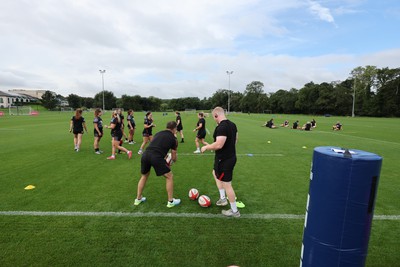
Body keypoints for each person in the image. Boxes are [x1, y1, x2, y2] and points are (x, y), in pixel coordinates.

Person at [201, 107, 240, 217]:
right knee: (215, 173)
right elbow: (235, 140)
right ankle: (223, 199)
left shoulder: (222, 127)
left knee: (227, 184)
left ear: (216, 115)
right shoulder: (233, 125)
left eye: (214, 117)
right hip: (228, 157)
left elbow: (219, 144)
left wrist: (207, 147)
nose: (214, 119)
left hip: (225, 160)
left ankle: (234, 211)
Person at [134, 121, 181, 208]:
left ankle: (138, 199)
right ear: (174, 129)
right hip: (156, 157)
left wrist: (165, 157)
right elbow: (174, 157)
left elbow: (157, 145)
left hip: (145, 154)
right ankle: (171, 201)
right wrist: (172, 161)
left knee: (144, 176)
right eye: (176, 129)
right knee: (169, 176)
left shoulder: (158, 133)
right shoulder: (174, 139)